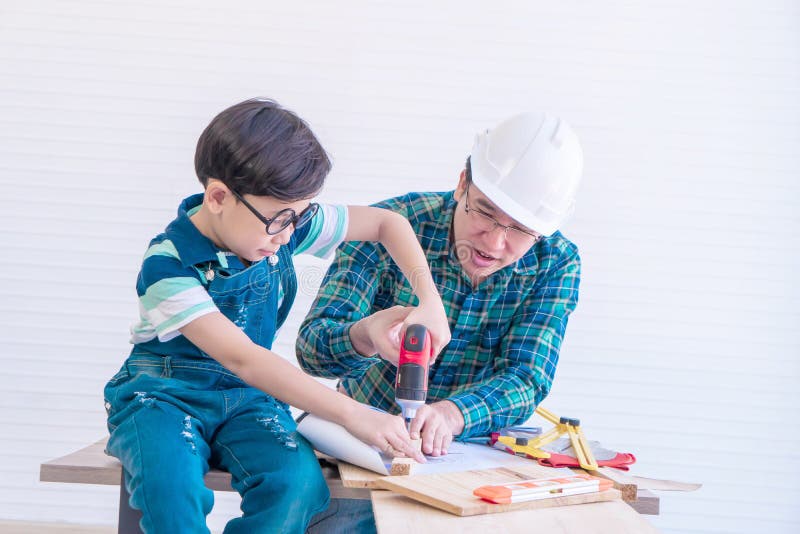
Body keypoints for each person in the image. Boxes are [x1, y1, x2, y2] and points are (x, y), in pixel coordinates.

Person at [102, 98, 450, 533]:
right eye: (278, 220)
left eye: (298, 217)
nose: (288, 235)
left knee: (298, 485)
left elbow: (387, 224)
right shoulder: (169, 264)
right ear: (217, 197)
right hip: (164, 395)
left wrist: (429, 300)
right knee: (170, 490)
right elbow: (244, 358)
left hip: (247, 397)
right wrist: (353, 412)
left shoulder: (281, 219)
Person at [298, 111, 583, 455]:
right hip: (362, 439)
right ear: (463, 183)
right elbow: (311, 352)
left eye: (520, 229)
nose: (493, 243)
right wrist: (366, 334)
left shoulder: (556, 262)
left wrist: (453, 414)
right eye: (485, 212)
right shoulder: (389, 226)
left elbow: (527, 377)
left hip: (468, 451)